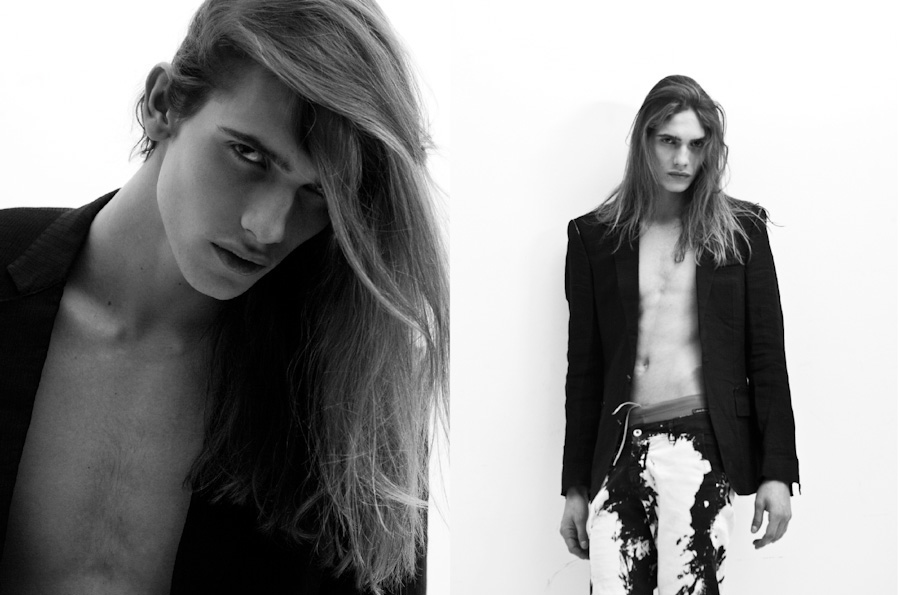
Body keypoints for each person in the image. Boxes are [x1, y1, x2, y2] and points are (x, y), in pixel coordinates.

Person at [0, 0, 447, 593]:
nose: (268, 226)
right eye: (249, 154)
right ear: (164, 104)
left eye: (317, 193)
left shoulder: (346, 387)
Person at [558, 75, 799, 594]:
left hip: (699, 444)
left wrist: (777, 472)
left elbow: (767, 357)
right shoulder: (594, 237)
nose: (682, 159)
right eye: (669, 141)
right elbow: (585, 372)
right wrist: (575, 486)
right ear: (643, 140)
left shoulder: (740, 232)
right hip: (618, 449)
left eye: (695, 144)